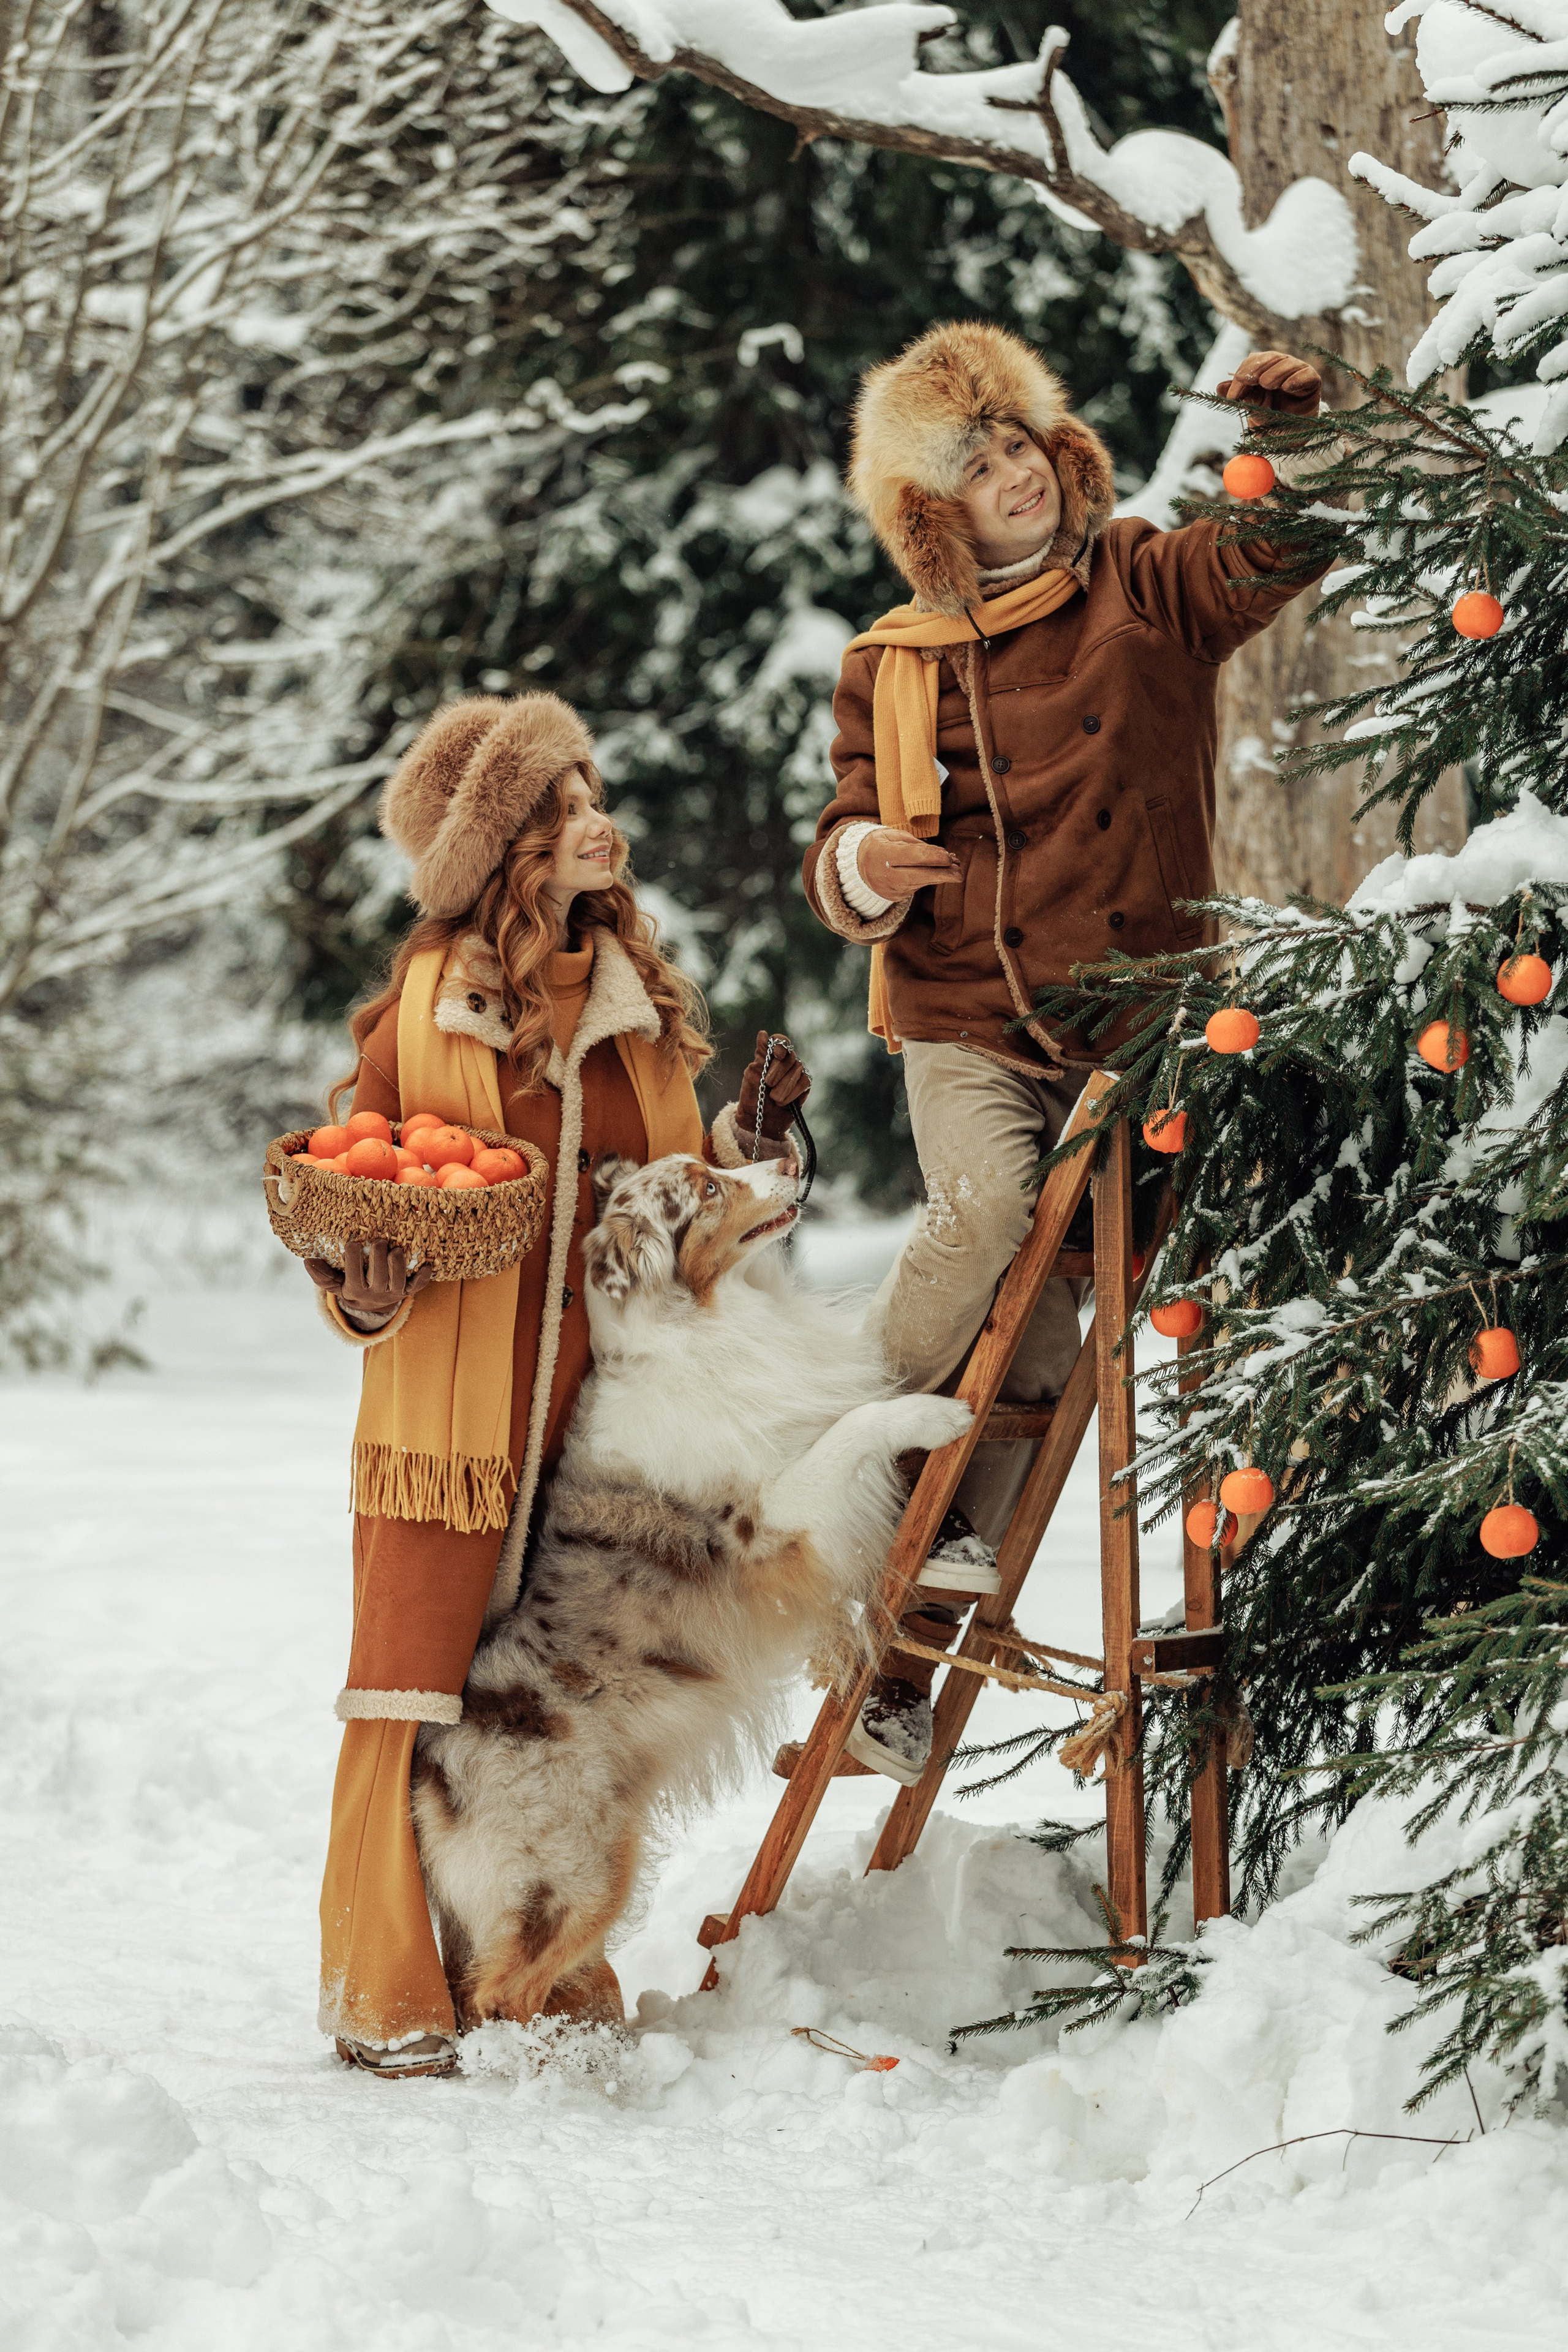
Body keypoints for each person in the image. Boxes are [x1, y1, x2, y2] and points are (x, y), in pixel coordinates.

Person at [802, 323, 1323, 1781]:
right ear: (932, 517)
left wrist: (1290, 445)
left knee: (1055, 1332)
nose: (1009, 473)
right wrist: (865, 862)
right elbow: (833, 844)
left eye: (1019, 444)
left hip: (1132, 1030)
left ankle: (910, 1639)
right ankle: (871, 1457)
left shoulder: (1143, 589)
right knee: (982, 1211)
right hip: (963, 1011)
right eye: (971, 465)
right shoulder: (887, 664)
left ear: (1061, 456)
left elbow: (1262, 555)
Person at [310, 690, 809, 2076]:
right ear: (502, 849)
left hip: (598, 1418)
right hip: (449, 1417)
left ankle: (541, 1959)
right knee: (408, 1686)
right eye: (564, 807)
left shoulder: (638, 995)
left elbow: (669, 1191)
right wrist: (363, 1277)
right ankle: (391, 1988)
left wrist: (750, 1140)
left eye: (596, 797)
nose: (600, 823)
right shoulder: (427, 1002)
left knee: (554, 1703)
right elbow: (368, 1174)